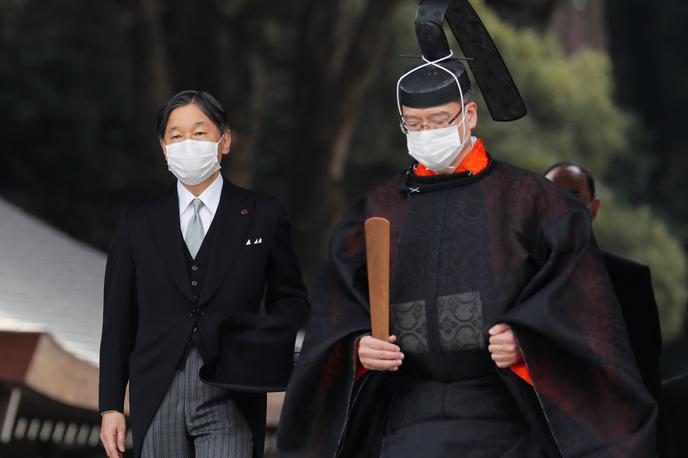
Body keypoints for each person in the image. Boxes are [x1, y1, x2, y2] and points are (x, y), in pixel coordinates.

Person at [277, 1, 657, 457]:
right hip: (405, 415)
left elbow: (581, 301)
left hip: (506, 414)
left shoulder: (533, 202)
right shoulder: (376, 210)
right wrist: (356, 348)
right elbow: (336, 310)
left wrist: (529, 338)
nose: (427, 133)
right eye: (414, 125)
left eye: (439, 121)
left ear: (469, 115)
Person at [98, 90, 309, 458]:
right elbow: (118, 317)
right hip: (156, 386)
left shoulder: (263, 213)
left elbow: (289, 296)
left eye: (199, 132)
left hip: (232, 388)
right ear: (164, 148)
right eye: (176, 136)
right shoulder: (138, 222)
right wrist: (111, 405)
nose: (187, 143)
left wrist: (266, 344)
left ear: (224, 141)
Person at [544, 161, 663, 403]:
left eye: (573, 197)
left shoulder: (631, 279)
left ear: (593, 209)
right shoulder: (517, 275)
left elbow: (647, 369)